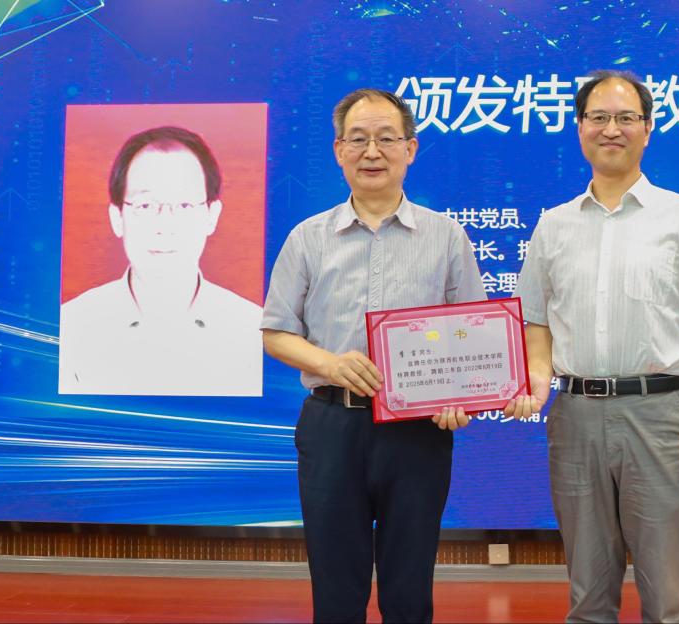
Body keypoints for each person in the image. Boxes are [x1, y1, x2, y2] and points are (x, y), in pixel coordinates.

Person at [506, 70, 679, 623]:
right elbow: (535, 321)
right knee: (588, 595)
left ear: (647, 129)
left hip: (660, 416)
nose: (612, 129)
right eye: (599, 117)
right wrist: (536, 377)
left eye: (626, 118)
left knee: (666, 597)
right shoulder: (553, 225)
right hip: (576, 415)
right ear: (580, 127)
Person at [261, 88, 485, 623]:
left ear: (410, 148)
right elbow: (275, 332)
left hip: (418, 431)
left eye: (386, 138)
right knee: (336, 586)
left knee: (409, 586)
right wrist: (330, 364)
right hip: (332, 425)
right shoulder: (308, 238)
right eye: (358, 139)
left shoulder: (446, 236)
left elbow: (475, 336)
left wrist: (460, 398)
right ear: (339, 150)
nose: (372, 152)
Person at [58, 126, 263, 396]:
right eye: (145, 206)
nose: (165, 226)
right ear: (117, 218)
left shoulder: (253, 330)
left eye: (184, 206)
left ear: (211, 216)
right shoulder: (70, 326)